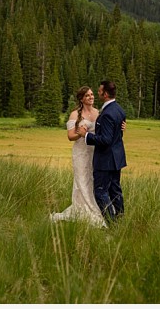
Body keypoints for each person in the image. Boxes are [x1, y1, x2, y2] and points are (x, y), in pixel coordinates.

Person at [50, 86, 106, 227]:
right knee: (81, 180)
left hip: (95, 151)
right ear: (81, 99)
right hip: (81, 153)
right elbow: (70, 136)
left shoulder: (98, 113)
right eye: (87, 95)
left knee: (93, 180)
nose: (91, 97)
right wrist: (79, 133)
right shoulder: (75, 115)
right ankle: (83, 210)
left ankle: (95, 208)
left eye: (92, 94)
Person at [77, 79, 126, 224]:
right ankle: (120, 219)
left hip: (105, 160)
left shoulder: (107, 114)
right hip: (117, 158)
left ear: (105, 94)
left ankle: (112, 223)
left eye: (98, 91)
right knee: (115, 190)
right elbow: (116, 133)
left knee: (100, 191)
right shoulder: (119, 110)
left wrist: (85, 135)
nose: (97, 93)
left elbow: (105, 139)